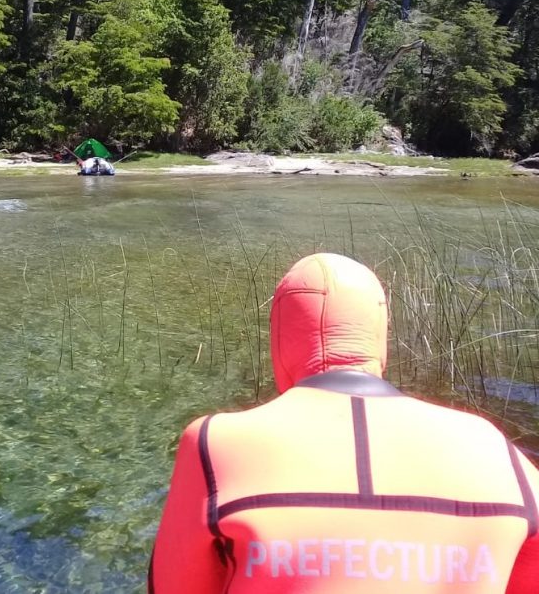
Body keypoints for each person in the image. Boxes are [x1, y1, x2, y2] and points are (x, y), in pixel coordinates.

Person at [149, 253, 539, 593]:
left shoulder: (214, 442)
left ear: (281, 337)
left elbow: (174, 586)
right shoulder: (498, 452)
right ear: (379, 333)